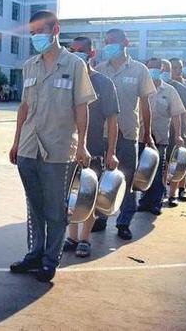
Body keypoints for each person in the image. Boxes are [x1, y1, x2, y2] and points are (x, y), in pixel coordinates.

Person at [9, 11, 96, 280]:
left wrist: (82, 145)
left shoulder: (74, 65)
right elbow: (24, 107)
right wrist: (15, 142)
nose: (35, 37)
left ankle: (50, 259)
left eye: (40, 32)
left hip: (59, 149)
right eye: (32, 33)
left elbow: (82, 108)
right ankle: (34, 254)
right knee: (34, 206)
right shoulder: (30, 66)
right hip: (28, 147)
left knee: (55, 209)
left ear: (55, 29)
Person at [95, 29, 156, 240]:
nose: (109, 45)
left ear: (126, 42)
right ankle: (100, 218)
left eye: (113, 42)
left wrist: (147, 133)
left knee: (127, 179)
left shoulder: (139, 70)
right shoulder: (99, 69)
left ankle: (123, 222)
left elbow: (145, 105)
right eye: (107, 42)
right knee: (102, 178)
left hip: (130, 133)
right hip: (103, 133)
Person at [64, 37, 119, 258]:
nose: (77, 54)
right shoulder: (67, 78)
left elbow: (113, 121)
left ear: (92, 54)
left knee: (89, 194)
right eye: (73, 51)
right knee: (70, 195)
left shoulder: (104, 84)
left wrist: (111, 152)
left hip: (94, 147)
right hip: (67, 147)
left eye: (82, 51)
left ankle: (85, 239)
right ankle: (72, 236)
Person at [137, 58, 185, 215]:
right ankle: (144, 201)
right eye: (151, 67)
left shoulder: (169, 91)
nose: (154, 70)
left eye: (158, 68)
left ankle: (155, 203)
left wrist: (178, 135)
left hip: (160, 138)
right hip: (140, 137)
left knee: (158, 172)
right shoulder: (140, 88)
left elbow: (177, 115)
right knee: (143, 172)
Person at [162, 59, 186, 206]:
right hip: (161, 130)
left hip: (180, 130)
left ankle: (174, 193)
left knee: (178, 163)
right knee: (164, 164)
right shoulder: (154, 85)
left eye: (179, 68)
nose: (177, 71)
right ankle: (161, 192)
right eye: (174, 68)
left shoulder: (183, 88)